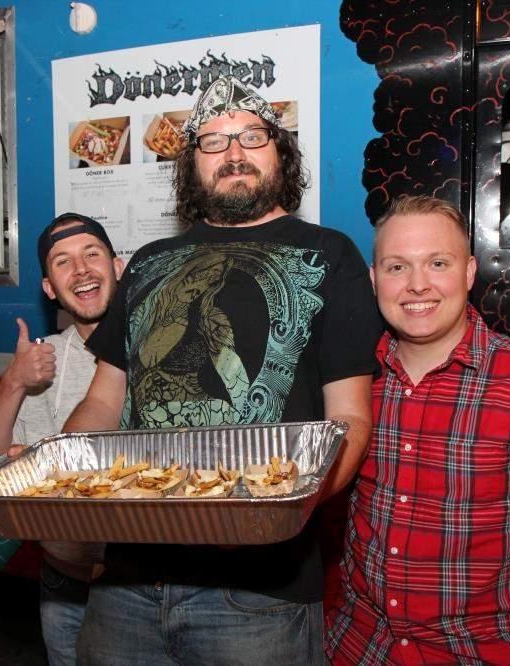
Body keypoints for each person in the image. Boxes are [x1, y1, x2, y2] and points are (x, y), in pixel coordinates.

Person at [63, 75, 382, 663]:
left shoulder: (330, 254)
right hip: (127, 580)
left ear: (280, 151)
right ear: (192, 164)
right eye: (212, 141)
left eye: (251, 136)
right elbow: (105, 400)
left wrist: (279, 512)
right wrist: (64, 471)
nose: (234, 152)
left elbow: (350, 420)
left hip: (258, 594)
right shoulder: (149, 263)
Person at [324, 195, 510, 665]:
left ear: (469, 272)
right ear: (375, 280)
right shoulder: (350, 385)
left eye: (438, 263)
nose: (418, 284)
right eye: (397, 267)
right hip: (357, 651)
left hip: (479, 653)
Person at [0, 213, 124, 665]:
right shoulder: (45, 359)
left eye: (91, 254)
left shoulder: (160, 348)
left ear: (117, 267)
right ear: (49, 288)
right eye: (63, 262)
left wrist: (43, 461)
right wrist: (14, 381)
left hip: (138, 591)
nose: (81, 270)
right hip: (63, 588)